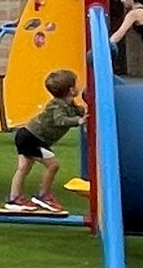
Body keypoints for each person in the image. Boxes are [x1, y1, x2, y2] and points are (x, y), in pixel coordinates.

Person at [7, 68, 85, 214]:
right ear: (71, 89)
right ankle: (43, 195)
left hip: (27, 136)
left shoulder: (69, 104)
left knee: (24, 167)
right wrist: (79, 121)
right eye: (76, 84)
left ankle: (14, 198)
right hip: (32, 138)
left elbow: (78, 110)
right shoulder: (56, 105)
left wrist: (85, 112)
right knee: (53, 165)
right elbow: (60, 120)